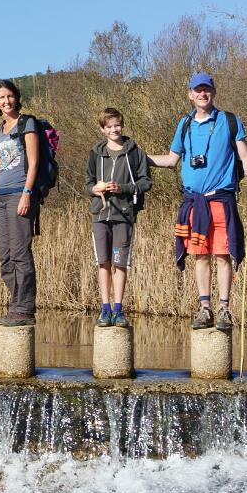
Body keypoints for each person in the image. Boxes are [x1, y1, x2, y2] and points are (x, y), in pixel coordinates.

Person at [147, 72, 247, 331]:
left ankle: (224, 309)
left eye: (206, 89)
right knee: (200, 256)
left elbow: (244, 154)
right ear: (190, 95)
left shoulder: (229, 120)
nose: (202, 94)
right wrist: (138, 157)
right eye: (198, 90)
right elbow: (171, 160)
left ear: (213, 92)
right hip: (194, 204)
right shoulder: (184, 124)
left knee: (223, 255)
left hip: (221, 200)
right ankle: (205, 308)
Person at [0, 79, 47, 327]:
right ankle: (16, 304)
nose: (6, 101)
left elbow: (34, 162)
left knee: (21, 254)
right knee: (6, 257)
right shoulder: (0, 130)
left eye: (10, 96)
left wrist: (27, 193)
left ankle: (25, 308)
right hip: (0, 197)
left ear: (16, 97)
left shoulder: (26, 123)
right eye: (2, 97)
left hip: (19, 194)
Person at [86, 107, 152, 328]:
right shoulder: (95, 153)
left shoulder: (135, 153)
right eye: (109, 126)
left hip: (124, 214)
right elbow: (88, 183)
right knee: (103, 262)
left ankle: (118, 309)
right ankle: (105, 309)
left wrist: (122, 188)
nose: (114, 129)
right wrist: (95, 189)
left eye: (117, 125)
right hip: (100, 214)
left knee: (120, 263)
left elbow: (145, 183)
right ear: (102, 129)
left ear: (122, 126)